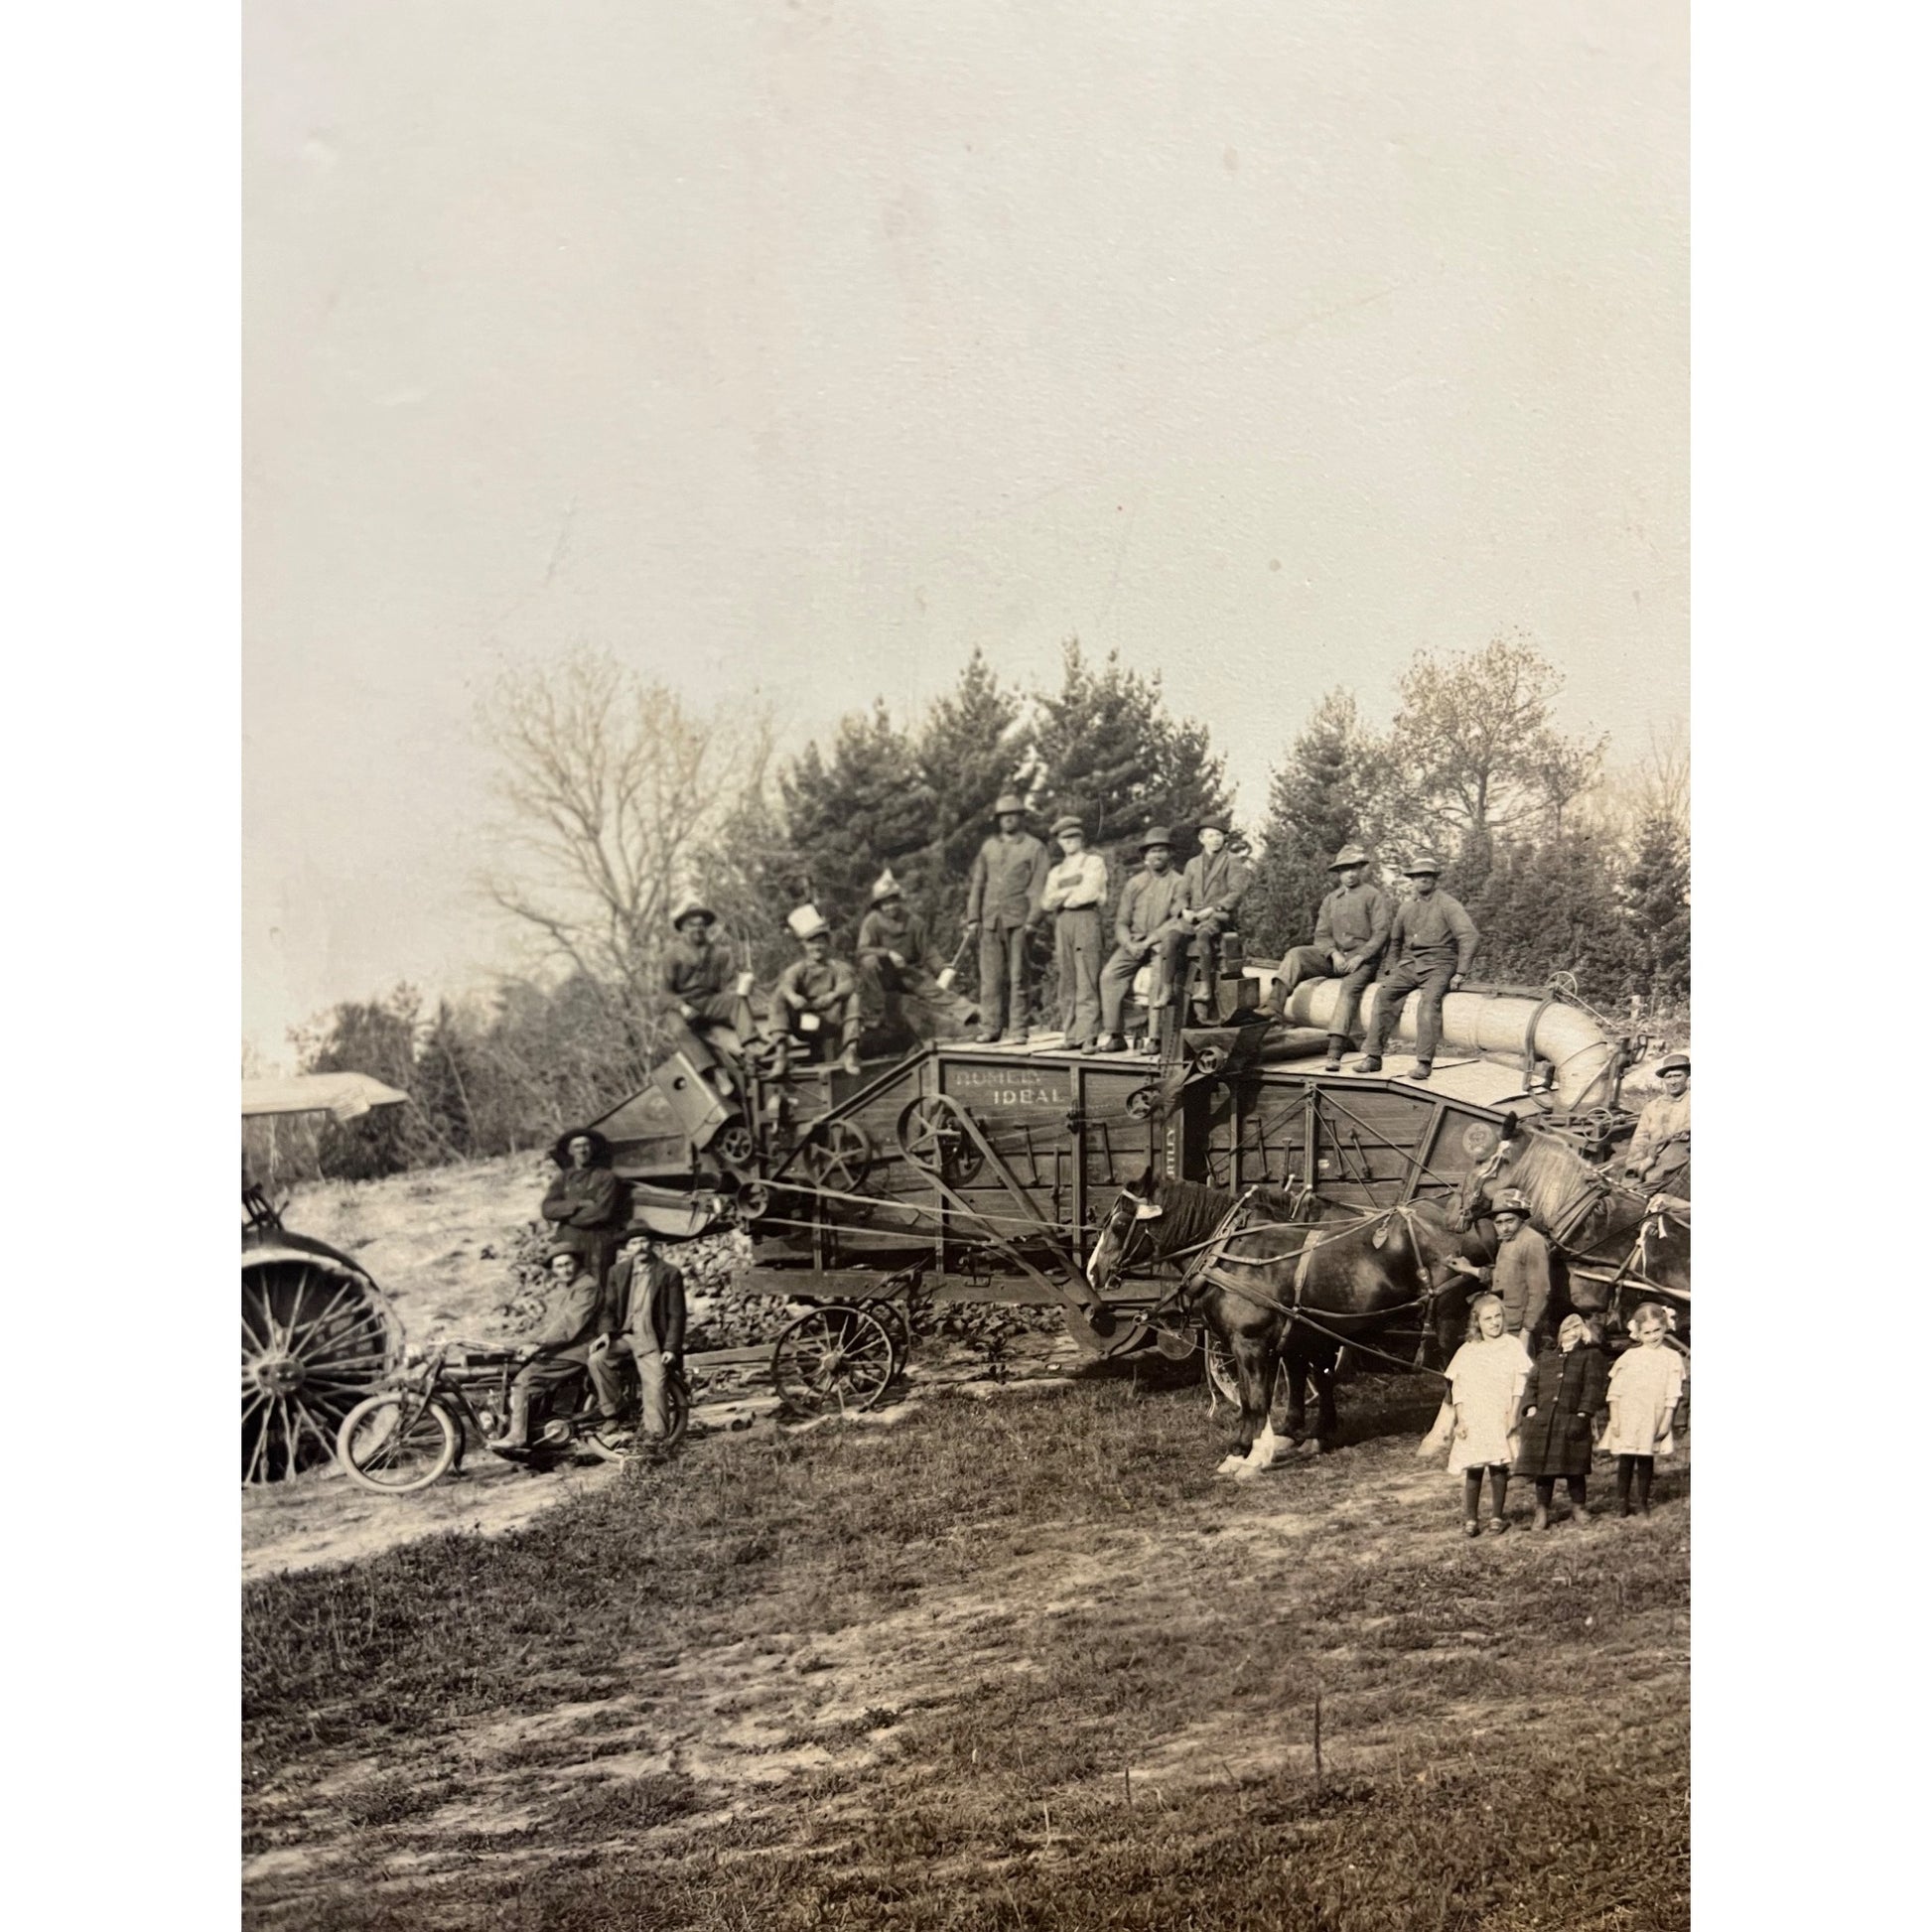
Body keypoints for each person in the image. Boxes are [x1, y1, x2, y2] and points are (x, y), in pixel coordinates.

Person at [1261, 844, 1394, 1070]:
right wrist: (1332, 954)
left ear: (1361, 870)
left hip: (1362, 961)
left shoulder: (1373, 896)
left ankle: (1334, 1050)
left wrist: (1360, 957)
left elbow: (1381, 933)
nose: (1350, 873)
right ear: (1339, 873)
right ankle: (1273, 1007)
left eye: (1354, 868)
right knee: (1296, 954)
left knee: (1348, 990)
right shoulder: (1331, 900)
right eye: (1345, 869)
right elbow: (1321, 936)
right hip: (1336, 959)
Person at [1354, 856, 1479, 1082]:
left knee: (1429, 1003)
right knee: (1384, 994)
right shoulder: (1407, 907)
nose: (1422, 880)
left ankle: (1423, 1061)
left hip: (1440, 964)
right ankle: (1373, 1056)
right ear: (1411, 880)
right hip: (1411, 964)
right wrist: (1391, 968)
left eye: (1427, 876)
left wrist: (1461, 971)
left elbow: (1469, 936)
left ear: (1434, 879)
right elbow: (1395, 941)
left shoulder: (1448, 904)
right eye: (1417, 876)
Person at [488, 1247, 614, 1451]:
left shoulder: (586, 1287)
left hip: (578, 1349)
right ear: (553, 1270)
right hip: (565, 1347)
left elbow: (569, 1324)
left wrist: (538, 1345)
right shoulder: (567, 1288)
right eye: (559, 1266)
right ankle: (536, 1436)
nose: (564, 1270)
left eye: (567, 1264)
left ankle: (517, 1436)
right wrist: (525, 1341)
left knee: (525, 1381)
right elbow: (551, 1324)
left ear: (576, 1263)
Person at [1441, 1292, 1533, 1536]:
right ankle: (1471, 1519)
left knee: (1498, 1465)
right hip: (1475, 1416)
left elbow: (1519, 1385)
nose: (1494, 1323)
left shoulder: (1512, 1346)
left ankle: (1497, 1516)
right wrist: (1459, 1420)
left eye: (1497, 1317)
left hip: (1500, 1415)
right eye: (1487, 1319)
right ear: (1477, 1322)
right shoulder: (1468, 1350)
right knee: (1474, 1467)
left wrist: (1514, 1414)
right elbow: (1457, 1388)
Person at [963, 792, 1049, 1043]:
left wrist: (1033, 920)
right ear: (998, 820)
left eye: (1013, 815)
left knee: (1018, 975)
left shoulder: (1034, 848)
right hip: (990, 920)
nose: (1008, 820)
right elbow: (978, 884)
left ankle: (1019, 1029)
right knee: (990, 977)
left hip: (1019, 921)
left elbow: (1038, 886)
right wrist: (973, 918)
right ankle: (990, 1027)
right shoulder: (989, 847)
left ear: (1021, 818)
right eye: (1003, 816)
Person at [1095, 828, 1190, 1053]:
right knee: (1109, 975)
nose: (1156, 855)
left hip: (1161, 944)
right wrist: (1129, 944)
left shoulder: (1180, 882)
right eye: (1151, 851)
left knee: (1159, 975)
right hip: (1134, 943)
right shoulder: (1135, 884)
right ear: (1144, 857)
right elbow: (1121, 921)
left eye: (1161, 851)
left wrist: (1148, 943)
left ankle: (1155, 1038)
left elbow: (1176, 919)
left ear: (1170, 855)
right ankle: (1115, 1034)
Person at [1513, 1313, 1610, 1530]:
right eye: (1567, 1329)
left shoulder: (1589, 1356)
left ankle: (1579, 1507)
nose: (1572, 1333)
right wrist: (1530, 1408)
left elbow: (1592, 1388)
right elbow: (1531, 1385)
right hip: (1544, 1422)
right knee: (1543, 1472)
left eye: (1577, 1328)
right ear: (1559, 1335)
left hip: (1571, 1420)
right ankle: (1541, 1511)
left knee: (1575, 1470)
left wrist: (1583, 1414)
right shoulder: (1545, 1358)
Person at [589, 1230, 687, 1444]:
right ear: (628, 1247)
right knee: (597, 1359)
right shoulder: (618, 1271)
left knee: (656, 1382)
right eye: (634, 1242)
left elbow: (676, 1315)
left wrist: (670, 1348)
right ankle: (614, 1412)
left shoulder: (668, 1273)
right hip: (625, 1336)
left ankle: (656, 1437)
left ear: (651, 1244)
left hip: (651, 1339)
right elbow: (608, 1308)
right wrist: (605, 1333)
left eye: (643, 1241)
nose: (640, 1246)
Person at [854, 872, 979, 1040]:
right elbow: (862, 950)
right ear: (879, 905)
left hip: (909, 971)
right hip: (884, 975)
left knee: (935, 993)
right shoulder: (872, 922)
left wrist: (942, 969)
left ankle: (974, 1013)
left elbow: (928, 951)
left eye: (893, 901)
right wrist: (887, 953)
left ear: (899, 901)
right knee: (869, 962)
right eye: (886, 903)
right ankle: (876, 1017)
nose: (890, 907)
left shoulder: (914, 922)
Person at [1155, 814, 1253, 1028]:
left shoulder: (1232, 861)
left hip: (1218, 915)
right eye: (1211, 835)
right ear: (1202, 838)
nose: (1216, 839)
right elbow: (1182, 893)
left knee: (1203, 935)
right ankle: (1166, 989)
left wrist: (1213, 909)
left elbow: (1236, 893)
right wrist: (1184, 910)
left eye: (1219, 835)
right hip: (1194, 915)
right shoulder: (1192, 864)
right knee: (1170, 938)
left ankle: (1206, 988)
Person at [1601, 1303, 1688, 1518]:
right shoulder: (1630, 1357)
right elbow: (1616, 1390)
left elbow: (1673, 1392)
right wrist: (1616, 1418)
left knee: (1646, 1457)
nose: (1653, 1336)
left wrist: (1667, 1419)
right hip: (1628, 1414)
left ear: (1665, 1327)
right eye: (1647, 1332)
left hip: (1653, 1416)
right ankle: (1622, 1503)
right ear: (1638, 1333)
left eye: (1657, 1330)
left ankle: (1642, 1502)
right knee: (1626, 1458)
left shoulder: (1671, 1358)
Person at [655, 897, 756, 1068]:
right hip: (682, 1005)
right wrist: (682, 1007)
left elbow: (730, 983)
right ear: (683, 928)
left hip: (709, 1001)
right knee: (680, 1029)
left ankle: (751, 1045)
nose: (698, 928)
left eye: (701, 924)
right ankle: (712, 1069)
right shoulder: (672, 955)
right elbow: (664, 994)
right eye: (692, 924)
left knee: (737, 1001)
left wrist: (743, 985)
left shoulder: (720, 953)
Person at [1037, 815, 1109, 1049]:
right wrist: (1068, 895)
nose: (1069, 842)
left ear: (1081, 838)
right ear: (1059, 841)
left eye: (1073, 837)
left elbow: (1088, 894)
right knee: (1067, 979)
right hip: (1063, 923)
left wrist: (1063, 896)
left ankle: (1088, 1036)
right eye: (1064, 838)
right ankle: (1071, 1036)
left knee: (1087, 977)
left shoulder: (1093, 862)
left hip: (1086, 919)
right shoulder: (1056, 871)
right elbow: (1046, 902)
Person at [776, 907, 864, 1075]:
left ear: (827, 943)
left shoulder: (838, 967)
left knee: (853, 998)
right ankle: (781, 1052)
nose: (817, 946)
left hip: (833, 1021)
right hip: (805, 1023)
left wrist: (833, 995)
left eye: (821, 941)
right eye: (811, 942)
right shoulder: (798, 969)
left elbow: (849, 984)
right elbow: (786, 984)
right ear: (804, 945)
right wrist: (793, 996)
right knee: (779, 996)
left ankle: (850, 1051)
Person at [539, 1128, 627, 1289]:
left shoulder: (606, 1177)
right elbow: (547, 1209)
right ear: (570, 1151)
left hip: (598, 1240)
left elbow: (601, 1212)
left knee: (598, 1285)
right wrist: (577, 1204)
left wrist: (567, 1217)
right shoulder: (563, 1178)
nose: (582, 1150)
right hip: (569, 1241)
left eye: (586, 1145)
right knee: (570, 1284)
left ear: (592, 1149)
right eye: (577, 1146)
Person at [1624, 1053, 1691, 1194]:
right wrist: (1635, 1167)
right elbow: (1640, 1140)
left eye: (1677, 1076)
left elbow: (1683, 1135)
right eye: (1669, 1077)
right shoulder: (1652, 1106)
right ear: (1663, 1081)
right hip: (1648, 1165)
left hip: (1676, 1166)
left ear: (1687, 1078)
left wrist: (1651, 1159)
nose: (1673, 1082)